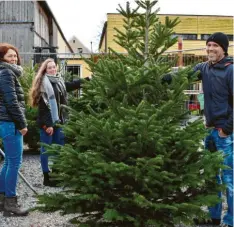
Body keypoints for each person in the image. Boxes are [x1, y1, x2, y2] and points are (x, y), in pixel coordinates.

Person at [194, 32, 233, 227]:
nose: (210, 49)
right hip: (208, 131)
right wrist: (166, 78)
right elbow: (185, 75)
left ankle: (231, 221)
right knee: (210, 175)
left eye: (215, 46)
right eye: (208, 45)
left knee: (228, 179)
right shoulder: (204, 68)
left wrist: (227, 129)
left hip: (224, 133)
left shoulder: (230, 70)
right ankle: (214, 217)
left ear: (223, 49)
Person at [30, 58, 87, 187]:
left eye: (54, 67)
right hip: (47, 124)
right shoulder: (43, 85)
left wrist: (86, 80)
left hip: (60, 122)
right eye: (49, 67)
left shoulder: (59, 81)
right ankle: (46, 177)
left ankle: (55, 174)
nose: (52, 69)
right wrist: (48, 125)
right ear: (45, 70)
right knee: (46, 149)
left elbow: (70, 85)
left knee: (59, 148)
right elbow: (43, 109)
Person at [0, 43, 29, 216]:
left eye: (15, 55)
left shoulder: (6, 72)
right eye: (9, 56)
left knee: (9, 162)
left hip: (6, 122)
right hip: (10, 122)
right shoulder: (6, 73)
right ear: (2, 58)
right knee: (14, 162)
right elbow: (12, 102)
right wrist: (22, 124)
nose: (14, 58)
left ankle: (3, 199)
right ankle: (11, 204)